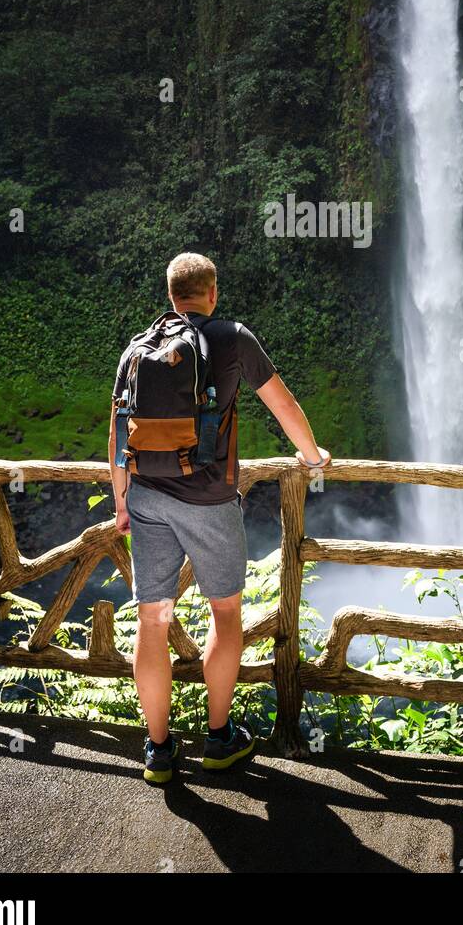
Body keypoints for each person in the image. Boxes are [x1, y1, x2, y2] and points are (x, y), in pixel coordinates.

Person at [108, 251, 331, 784]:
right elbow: (281, 403)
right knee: (225, 613)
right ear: (212, 293)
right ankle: (218, 738)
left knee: (152, 620)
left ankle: (159, 753)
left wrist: (121, 501)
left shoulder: (138, 348)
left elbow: (118, 433)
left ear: (170, 296)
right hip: (208, 499)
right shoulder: (232, 337)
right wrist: (312, 457)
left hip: (146, 497)